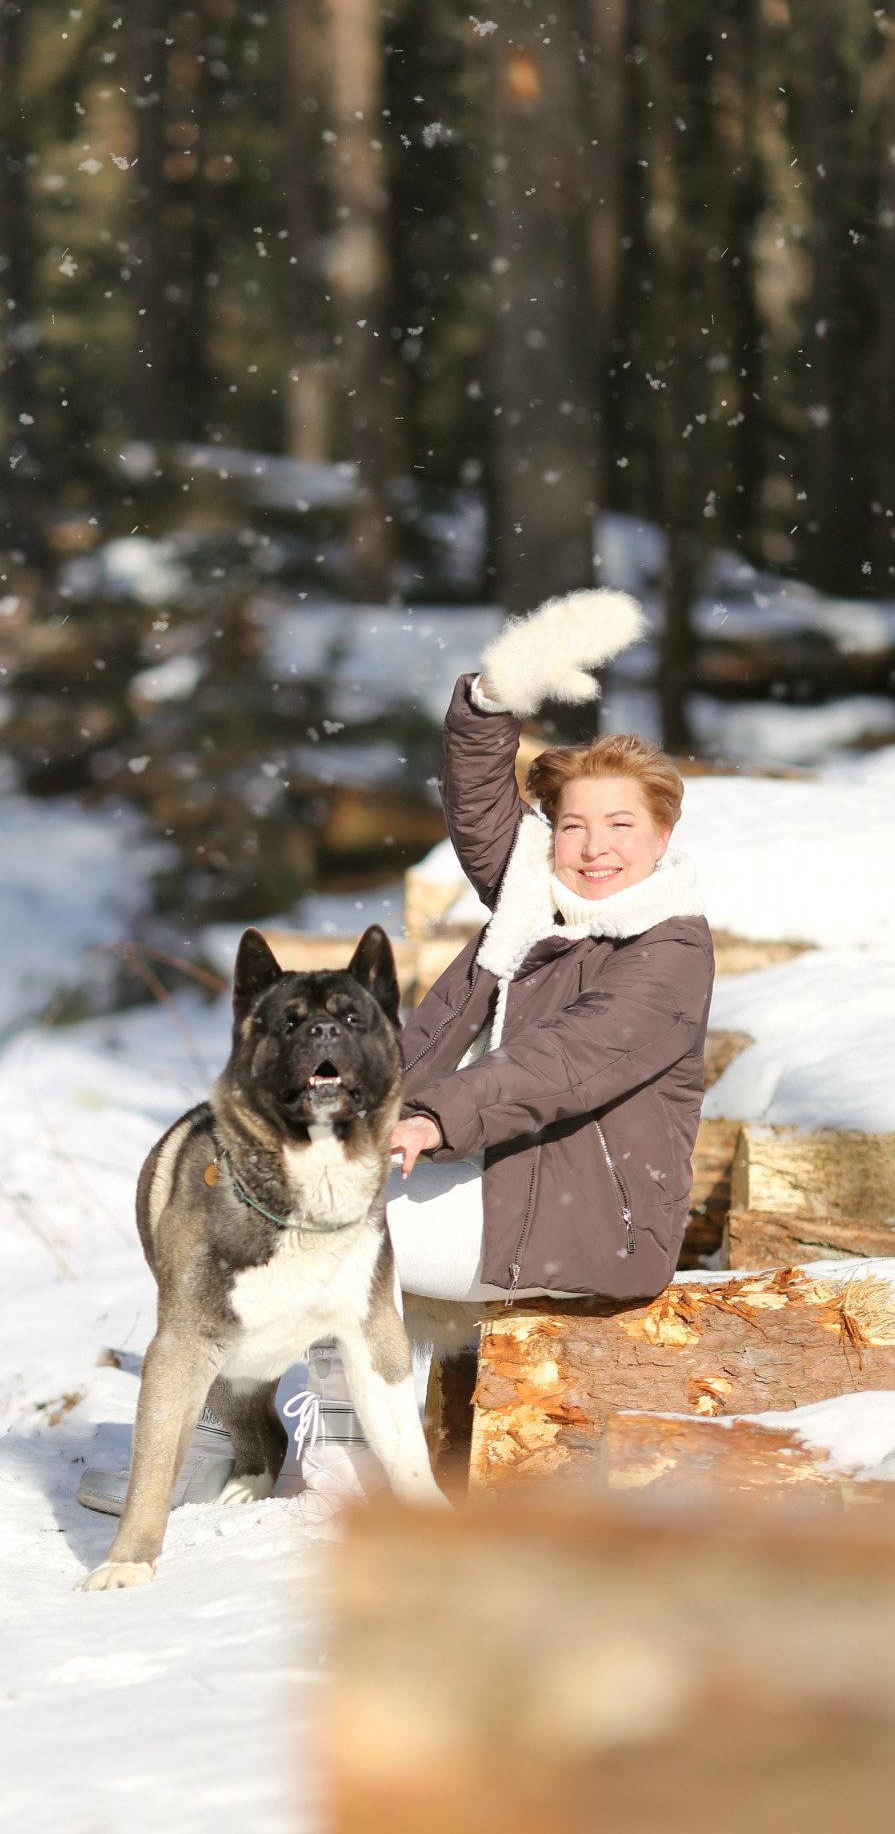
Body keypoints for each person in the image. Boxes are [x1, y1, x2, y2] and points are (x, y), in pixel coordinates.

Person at [296, 588, 715, 1508]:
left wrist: (426, 1118)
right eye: (572, 826)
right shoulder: (535, 904)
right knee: (267, 1191)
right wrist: (492, 698)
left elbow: (560, 1063)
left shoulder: (667, 951)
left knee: (335, 1231)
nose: (593, 849)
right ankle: (248, 1422)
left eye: (619, 828)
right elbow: (482, 808)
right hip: (480, 1171)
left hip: (582, 1216)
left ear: (661, 837)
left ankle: (341, 1452)